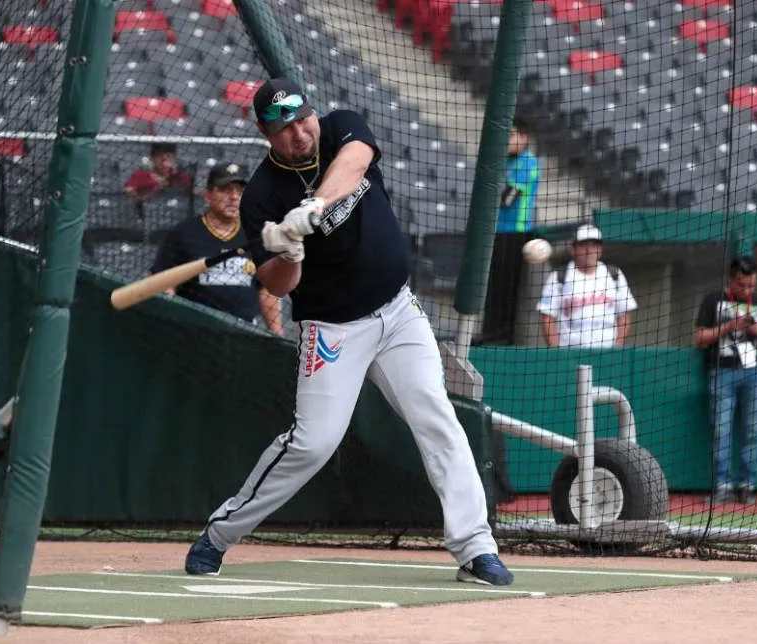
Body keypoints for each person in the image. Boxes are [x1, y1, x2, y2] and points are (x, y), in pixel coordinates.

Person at [183, 78, 514, 586]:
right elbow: (276, 283)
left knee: (437, 416)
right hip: (332, 329)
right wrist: (288, 251)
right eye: (283, 128)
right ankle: (219, 536)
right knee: (313, 444)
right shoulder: (262, 197)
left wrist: (311, 209)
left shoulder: (341, 129)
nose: (298, 133)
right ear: (264, 134)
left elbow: (355, 161)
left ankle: (475, 548)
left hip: (399, 312)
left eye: (301, 119)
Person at [150, 162, 282, 335]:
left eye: (241, 192)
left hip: (244, 334)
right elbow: (164, 282)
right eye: (226, 190)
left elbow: (266, 290)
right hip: (194, 333)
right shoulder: (184, 233)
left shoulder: (255, 236)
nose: (234, 197)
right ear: (208, 195)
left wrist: (277, 336)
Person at [693, 256, 757, 505]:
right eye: (742, 285)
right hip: (722, 371)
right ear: (732, 280)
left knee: (753, 429)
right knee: (722, 429)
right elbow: (699, 338)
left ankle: (748, 485)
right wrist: (730, 326)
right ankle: (723, 485)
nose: (747, 290)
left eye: (751, 285)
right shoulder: (713, 300)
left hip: (754, 371)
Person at [479, 119, 541, 345]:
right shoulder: (505, 163)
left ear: (524, 137)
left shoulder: (528, 163)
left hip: (516, 233)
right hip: (497, 232)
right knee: (493, 286)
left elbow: (507, 199)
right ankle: (489, 332)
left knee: (507, 288)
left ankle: (503, 337)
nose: (507, 141)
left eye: (512, 135)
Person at [537, 224, 637, 348]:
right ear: (573, 249)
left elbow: (625, 314)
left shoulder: (614, 275)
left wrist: (616, 348)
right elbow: (547, 318)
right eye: (584, 245)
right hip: (570, 353)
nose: (589, 250)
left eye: (594, 245)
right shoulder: (559, 277)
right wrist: (557, 351)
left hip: (606, 353)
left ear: (600, 250)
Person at [124, 142, 193, 202]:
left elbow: (195, 192)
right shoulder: (140, 175)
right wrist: (156, 189)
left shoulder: (180, 175)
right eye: (161, 159)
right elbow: (130, 196)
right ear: (152, 158)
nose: (165, 163)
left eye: (169, 158)